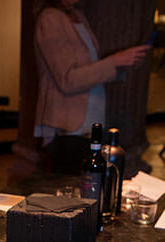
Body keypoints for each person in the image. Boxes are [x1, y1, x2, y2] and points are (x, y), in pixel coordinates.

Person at [33, 0, 149, 173]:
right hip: (67, 126)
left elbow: (91, 70)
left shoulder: (78, 15)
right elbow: (68, 80)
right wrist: (114, 61)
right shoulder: (50, 19)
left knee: (92, 183)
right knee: (71, 184)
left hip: (91, 122)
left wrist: (122, 66)